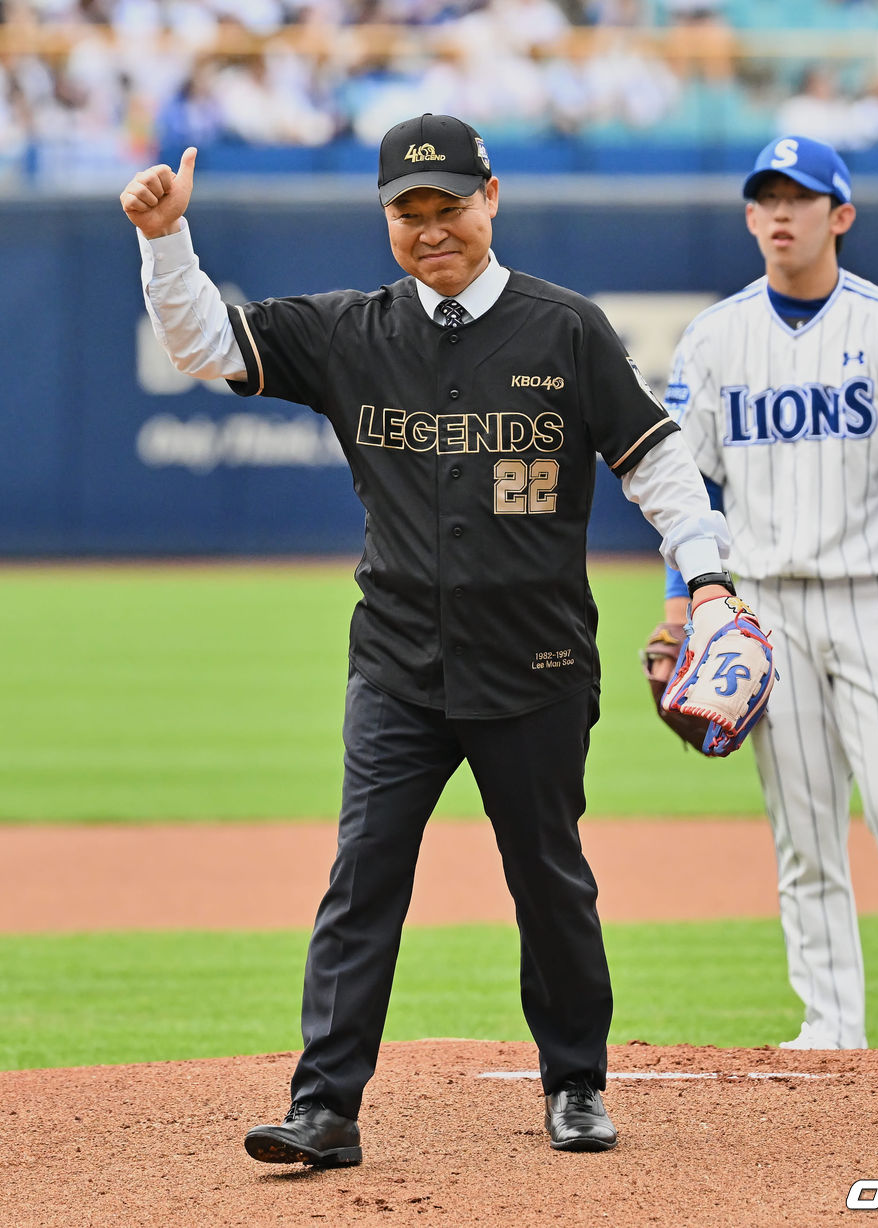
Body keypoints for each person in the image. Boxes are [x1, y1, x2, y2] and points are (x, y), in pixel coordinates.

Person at [119, 112, 747, 1162]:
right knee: (363, 874)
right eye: (407, 211)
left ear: (490, 198)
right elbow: (202, 344)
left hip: (537, 662)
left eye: (448, 205)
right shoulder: (351, 331)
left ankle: (576, 1083)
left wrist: (712, 582)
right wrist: (165, 241)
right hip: (400, 662)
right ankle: (326, 1107)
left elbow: (656, 463)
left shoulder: (566, 329)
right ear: (385, 219)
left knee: (548, 877)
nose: (430, 228)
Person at [659, 135, 878, 1052]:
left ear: (840, 215)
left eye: (801, 198)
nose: (782, 214)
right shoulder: (715, 338)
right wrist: (685, 608)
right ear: (751, 217)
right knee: (803, 835)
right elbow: (693, 494)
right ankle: (831, 1026)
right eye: (767, 199)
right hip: (763, 613)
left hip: (875, 601)